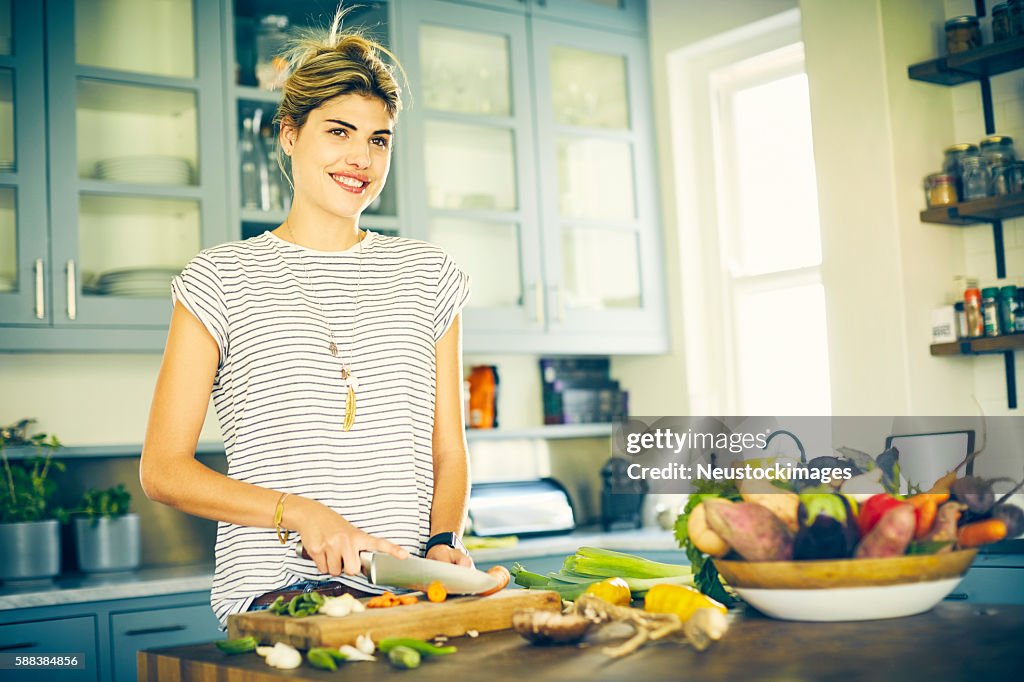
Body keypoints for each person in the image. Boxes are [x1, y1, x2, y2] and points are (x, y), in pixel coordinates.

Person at [139, 11, 472, 626]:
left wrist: (441, 544)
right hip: (276, 602)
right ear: (289, 135)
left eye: (379, 138)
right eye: (339, 132)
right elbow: (164, 470)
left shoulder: (430, 277)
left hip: (407, 598)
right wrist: (301, 512)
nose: (361, 158)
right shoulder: (219, 279)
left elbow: (447, 451)